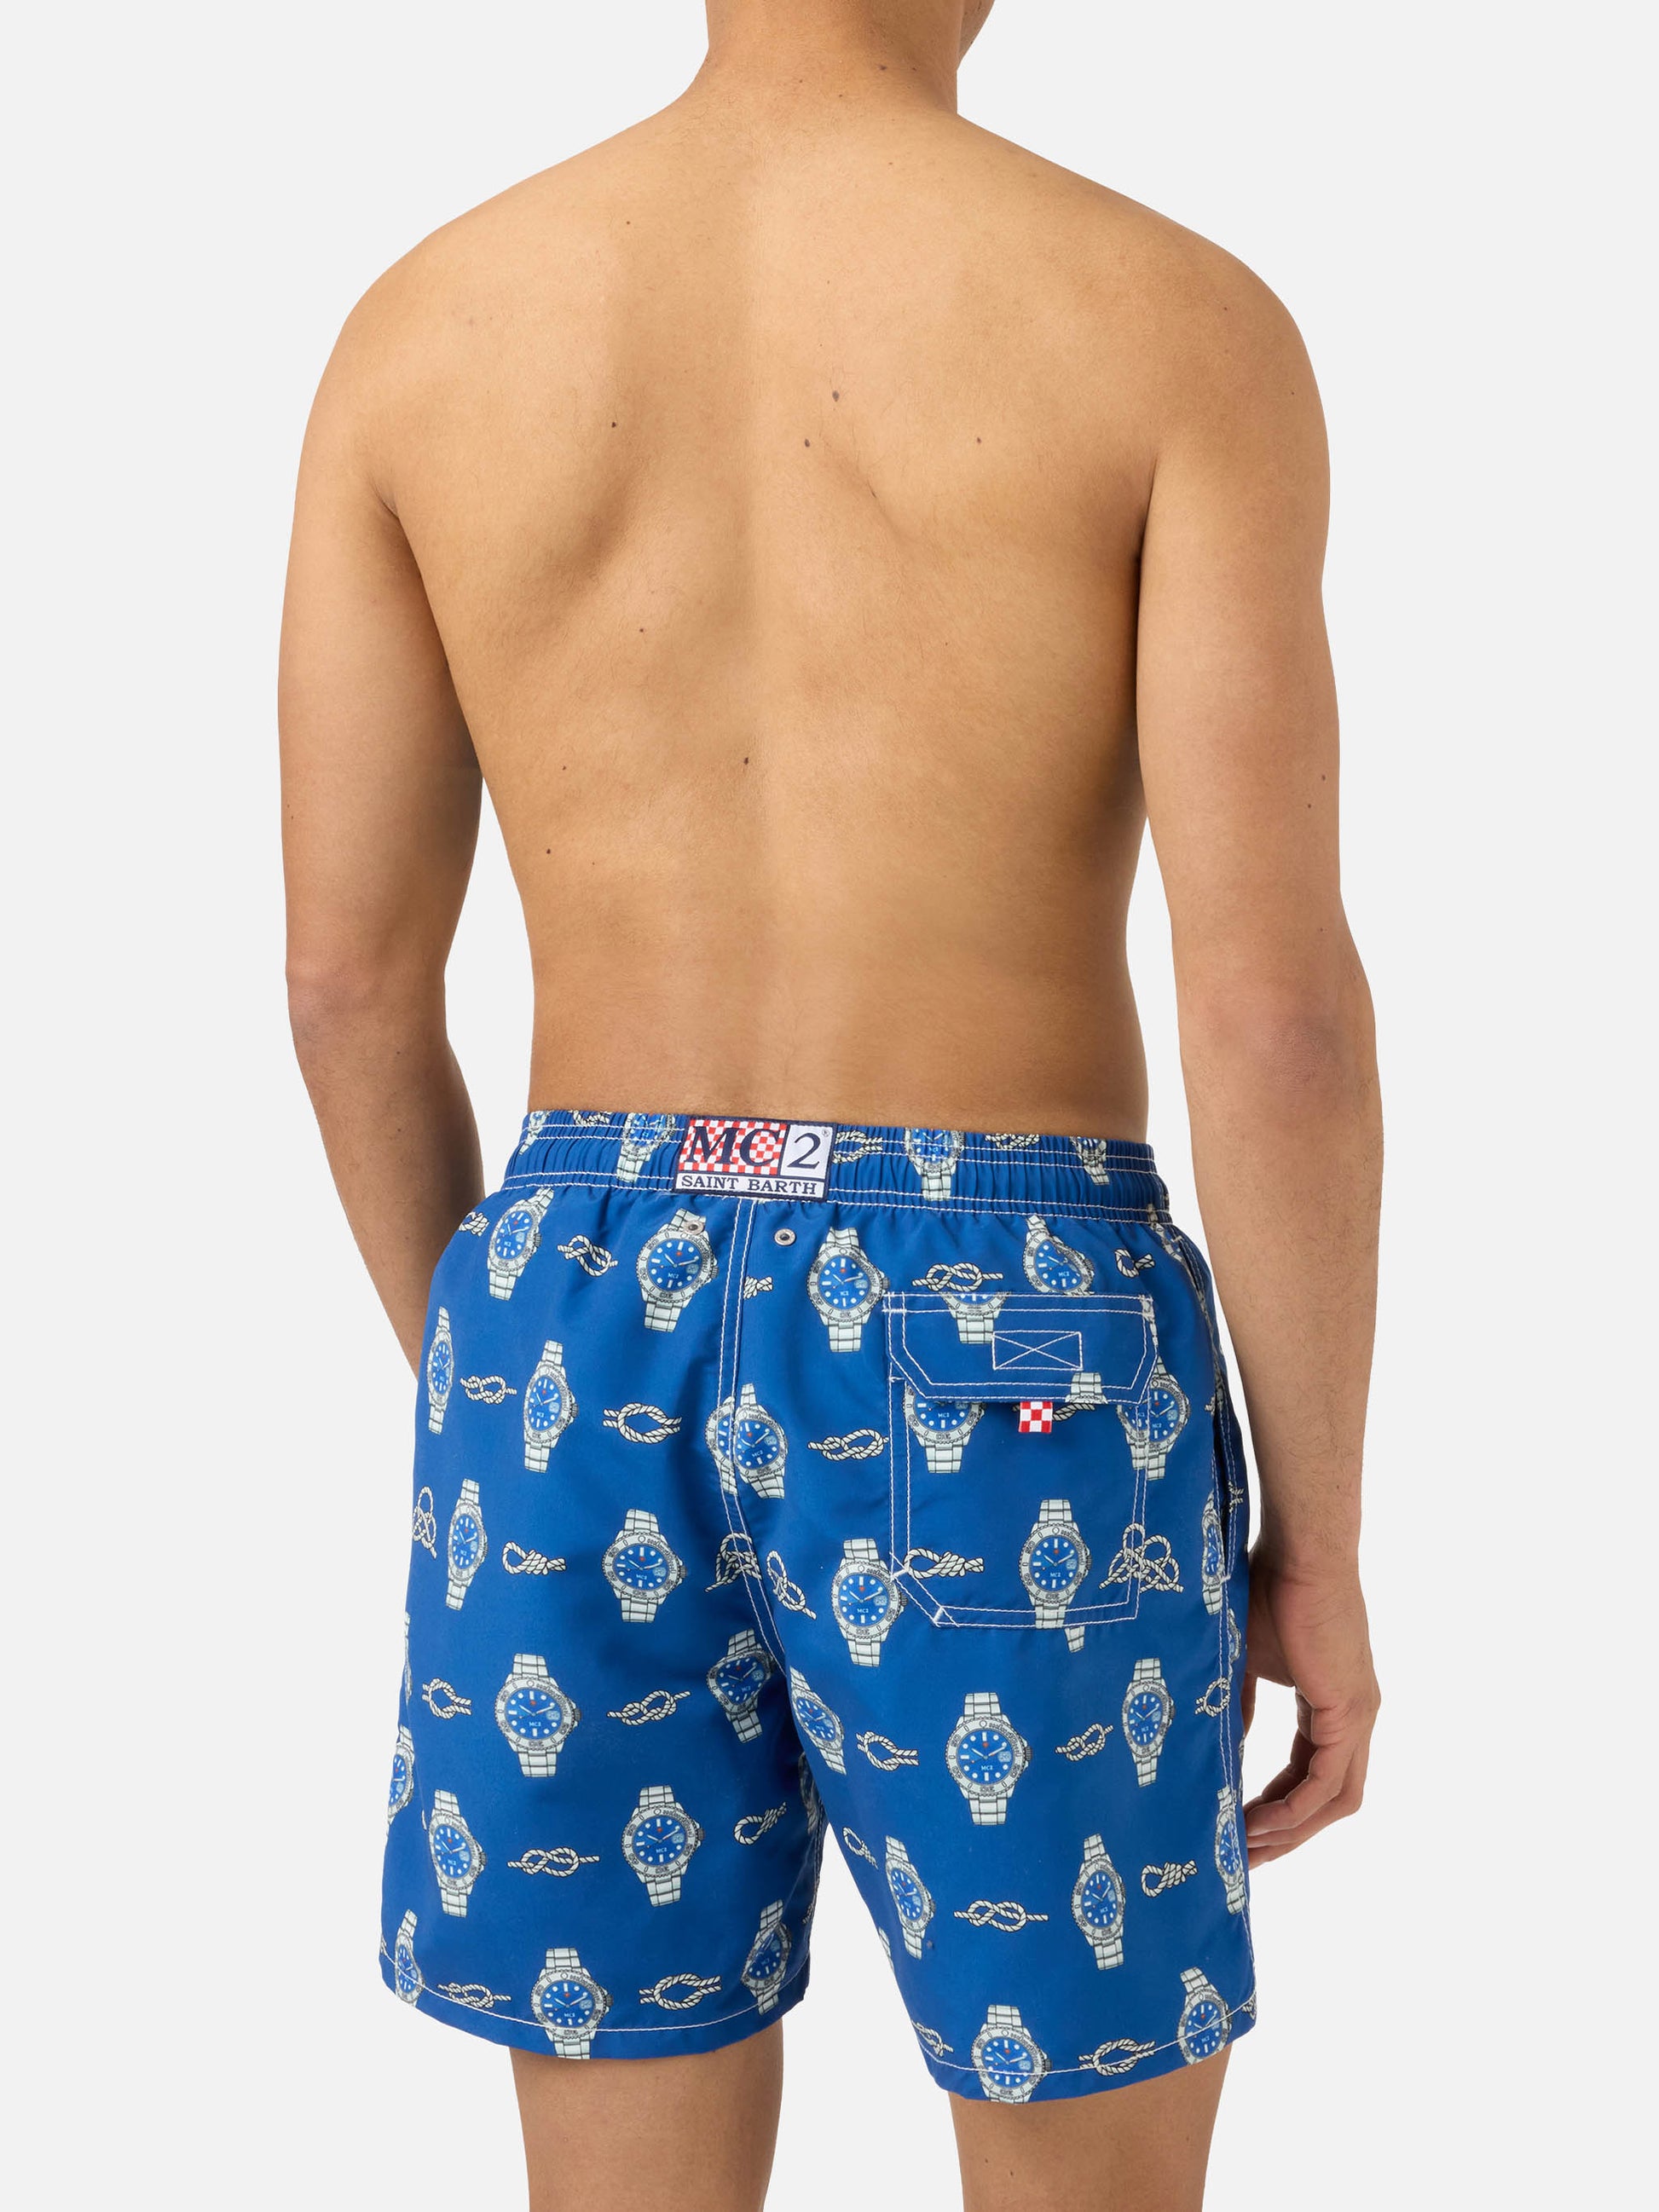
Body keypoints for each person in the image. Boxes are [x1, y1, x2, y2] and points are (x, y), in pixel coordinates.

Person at [280, 3, 1381, 2204]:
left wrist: (510, 1388)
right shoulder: (1169, 321)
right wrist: (1317, 1545)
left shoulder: (423, 328)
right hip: (1009, 1329)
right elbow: (1268, 1013)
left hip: (571, 1303)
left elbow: (345, 984)